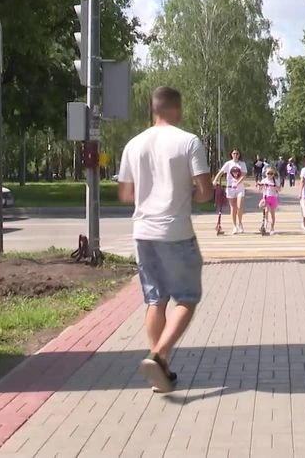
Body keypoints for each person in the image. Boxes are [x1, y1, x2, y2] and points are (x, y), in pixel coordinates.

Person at [116, 86, 212, 394]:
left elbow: (125, 194)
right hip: (175, 232)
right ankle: (158, 355)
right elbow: (205, 192)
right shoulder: (188, 141)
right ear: (176, 109)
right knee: (187, 298)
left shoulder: (134, 144)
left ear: (154, 109)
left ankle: (161, 373)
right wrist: (188, 193)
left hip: (143, 233)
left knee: (155, 299)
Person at [215, 149, 248, 234]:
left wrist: (237, 183)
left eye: (237, 153)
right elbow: (221, 172)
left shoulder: (242, 164)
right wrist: (215, 180)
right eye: (234, 153)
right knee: (233, 208)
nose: (235, 155)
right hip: (230, 188)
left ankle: (240, 223)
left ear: (239, 155)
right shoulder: (228, 163)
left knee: (239, 206)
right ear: (231, 154)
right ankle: (234, 226)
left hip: (239, 187)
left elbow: (243, 175)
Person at [257, 167, 279, 235]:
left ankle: (272, 228)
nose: (269, 175)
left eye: (271, 173)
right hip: (266, 198)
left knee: (272, 214)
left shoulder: (275, 181)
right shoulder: (264, 180)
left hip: (273, 198)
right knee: (266, 211)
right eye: (268, 173)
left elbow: (279, 189)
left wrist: (274, 186)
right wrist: (259, 185)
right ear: (265, 174)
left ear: (273, 174)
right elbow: (259, 189)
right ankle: (265, 226)